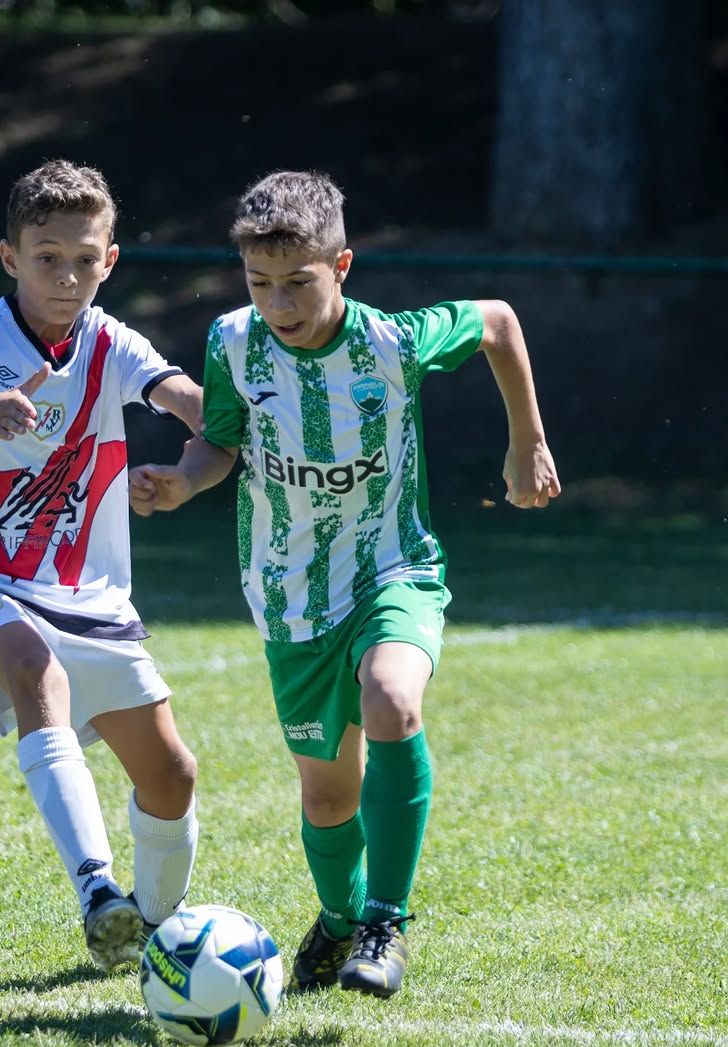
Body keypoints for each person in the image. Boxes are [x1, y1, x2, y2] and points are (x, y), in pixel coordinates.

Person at [129, 169, 561, 998]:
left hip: (394, 564)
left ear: (343, 267)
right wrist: (183, 481)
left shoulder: (392, 343)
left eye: (299, 283)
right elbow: (219, 441)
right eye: (260, 283)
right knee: (329, 799)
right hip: (289, 594)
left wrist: (526, 442)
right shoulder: (231, 342)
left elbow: (499, 323)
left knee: (393, 701)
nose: (279, 303)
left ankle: (385, 922)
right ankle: (337, 918)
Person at [0, 159, 201, 973]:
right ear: (9, 257)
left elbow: (186, 399)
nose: (67, 278)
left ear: (112, 261)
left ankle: (150, 933)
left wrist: (227, 434)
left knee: (171, 776)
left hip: (89, 595)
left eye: (85, 259)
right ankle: (97, 887)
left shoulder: (111, 342)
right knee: (33, 669)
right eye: (46, 258)